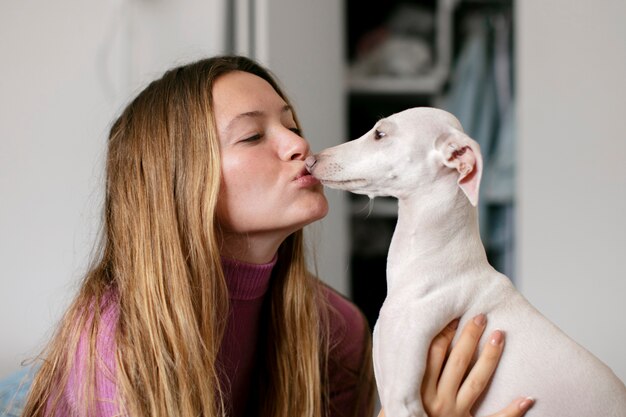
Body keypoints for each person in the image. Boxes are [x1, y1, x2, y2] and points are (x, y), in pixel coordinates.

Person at [18, 55, 533, 417]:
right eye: (252, 135)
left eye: (290, 123)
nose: (298, 143)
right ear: (176, 184)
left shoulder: (335, 331)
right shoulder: (114, 341)